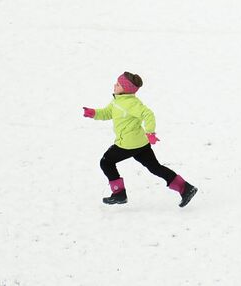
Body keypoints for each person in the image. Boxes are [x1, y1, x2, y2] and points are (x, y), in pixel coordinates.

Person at [82, 72, 198, 207]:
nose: (114, 85)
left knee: (106, 162)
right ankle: (185, 188)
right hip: (141, 144)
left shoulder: (132, 103)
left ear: (125, 89)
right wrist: (94, 113)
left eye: (118, 84)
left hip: (128, 144)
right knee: (155, 167)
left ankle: (119, 193)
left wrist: (150, 132)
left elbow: (148, 114)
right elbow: (108, 113)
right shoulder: (117, 101)